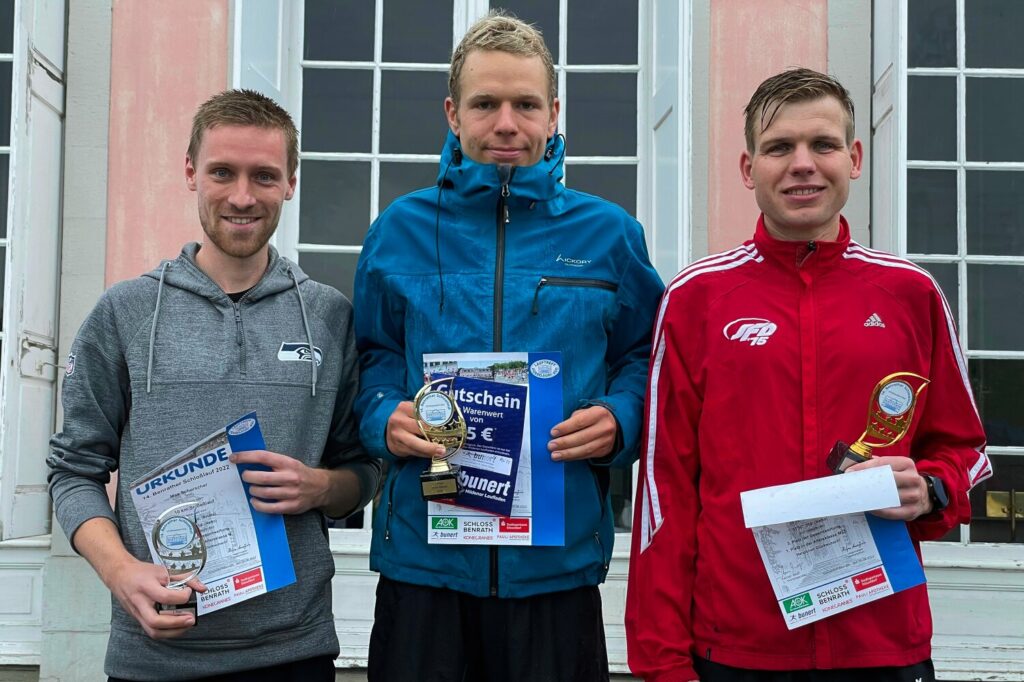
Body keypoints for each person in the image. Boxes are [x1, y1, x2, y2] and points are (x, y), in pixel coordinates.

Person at [625, 67, 992, 682]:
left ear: (853, 158)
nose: (802, 164)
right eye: (778, 148)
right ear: (748, 169)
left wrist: (929, 489)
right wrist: (662, 664)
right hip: (735, 651)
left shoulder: (911, 293)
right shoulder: (696, 298)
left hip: (882, 646)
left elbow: (965, 449)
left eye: (822, 144)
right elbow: (664, 493)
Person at [353, 11, 664, 682]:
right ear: (452, 112)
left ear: (553, 113)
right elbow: (372, 354)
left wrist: (622, 416)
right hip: (424, 567)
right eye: (485, 103)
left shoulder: (610, 234)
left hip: (554, 570)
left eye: (525, 104)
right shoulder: (397, 231)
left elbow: (646, 358)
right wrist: (384, 415)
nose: (505, 123)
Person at [47, 89, 381, 682]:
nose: (243, 196)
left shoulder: (329, 318)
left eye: (265, 175)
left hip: (294, 653)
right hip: (153, 655)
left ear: (291, 183)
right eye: (222, 172)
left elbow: (363, 471)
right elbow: (73, 472)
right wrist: (120, 571)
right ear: (190, 172)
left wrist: (322, 485)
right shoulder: (125, 313)